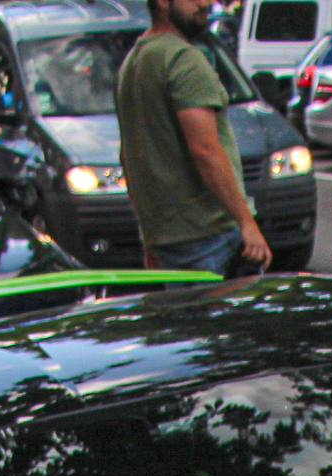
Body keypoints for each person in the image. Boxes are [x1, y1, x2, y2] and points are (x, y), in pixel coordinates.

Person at [116, 0, 271, 273]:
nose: (206, 3)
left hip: (169, 242)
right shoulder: (183, 59)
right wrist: (247, 223)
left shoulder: (133, 62)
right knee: (228, 315)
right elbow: (205, 150)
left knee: (181, 316)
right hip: (210, 236)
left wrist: (149, 238)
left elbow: (129, 158)